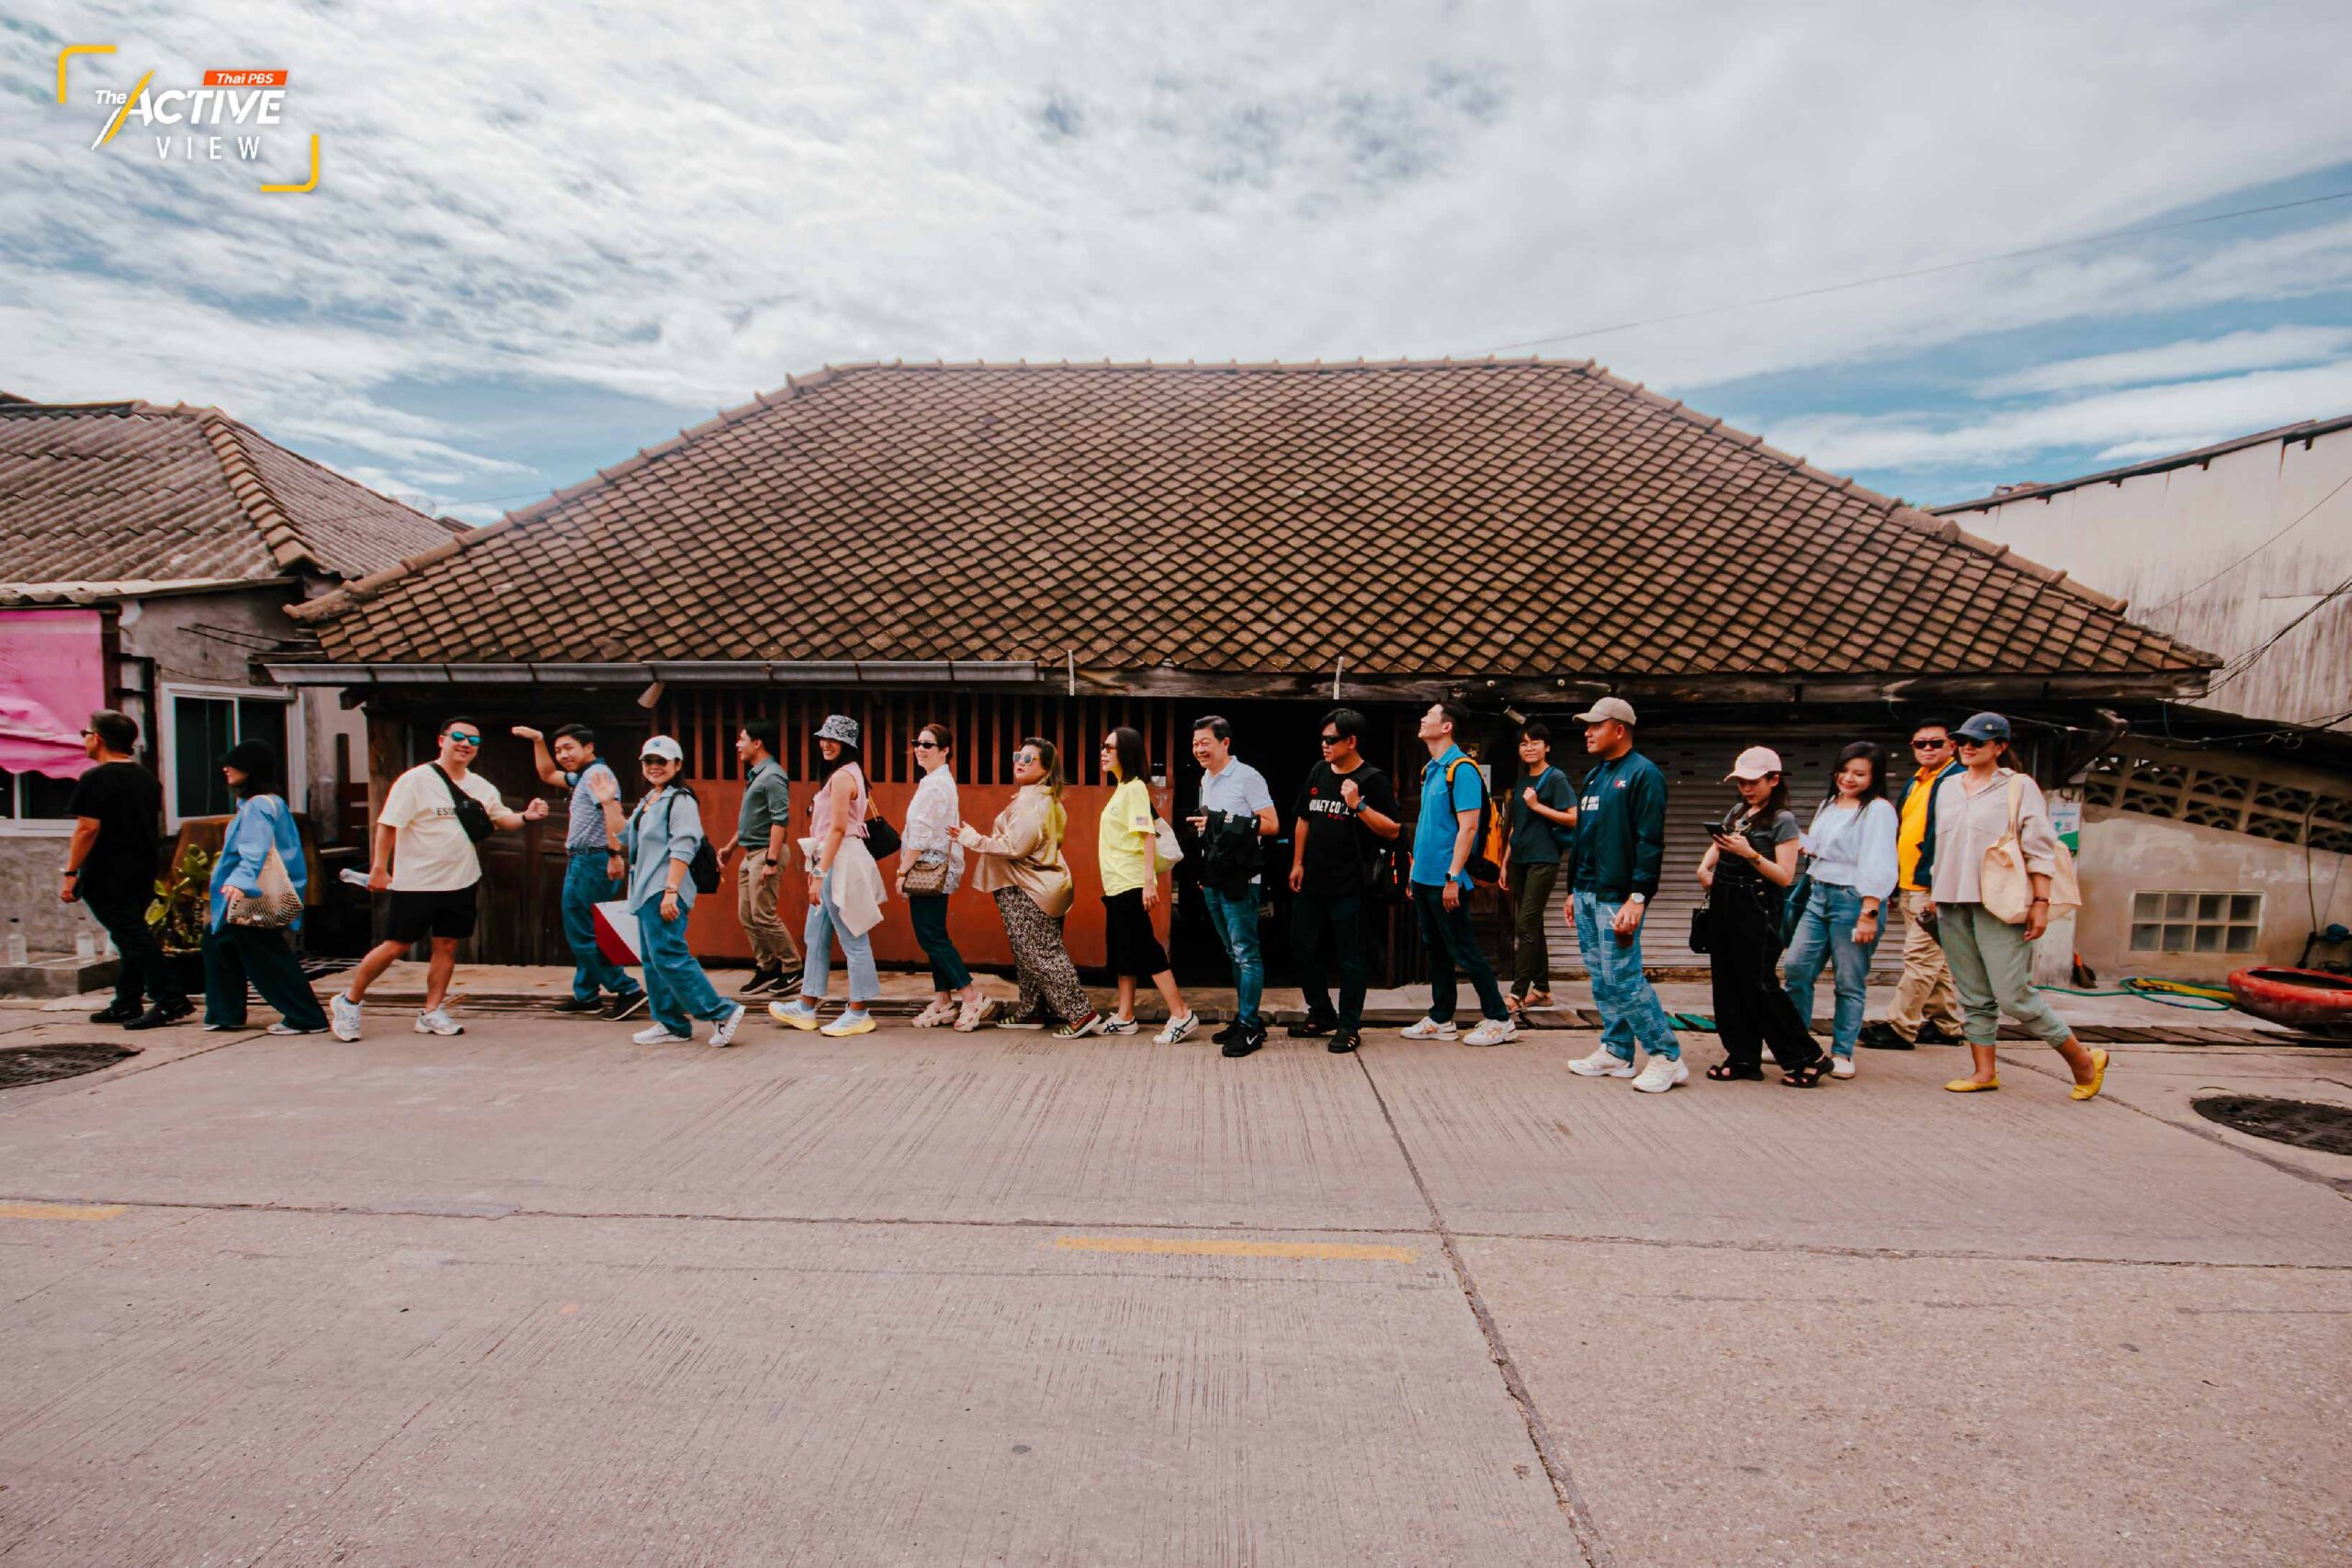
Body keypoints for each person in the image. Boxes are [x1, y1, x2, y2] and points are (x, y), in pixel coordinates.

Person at [330, 718, 548, 1042]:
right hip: (416, 881)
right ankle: (349, 1001)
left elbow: (502, 819)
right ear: (442, 740)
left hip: (460, 880)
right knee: (395, 946)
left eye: (473, 740)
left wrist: (528, 816)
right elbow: (388, 824)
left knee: (446, 947)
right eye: (458, 737)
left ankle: (431, 1011)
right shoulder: (415, 780)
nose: (466, 744)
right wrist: (379, 867)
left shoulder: (481, 786)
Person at [1927, 713, 2108, 1100]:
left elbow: (2039, 847)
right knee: (1973, 994)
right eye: (1962, 740)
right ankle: (1983, 1072)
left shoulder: (2018, 786)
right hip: (1951, 900)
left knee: (2013, 996)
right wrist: (1933, 889)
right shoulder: (1947, 786)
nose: (1968, 746)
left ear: (2001, 747)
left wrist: (2041, 902)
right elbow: (1942, 844)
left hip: (2000, 902)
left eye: (1978, 741)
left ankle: (2083, 1060)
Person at [1563, 697, 1686, 1092]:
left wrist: (1638, 897)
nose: (1587, 732)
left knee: (1623, 976)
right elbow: (1583, 837)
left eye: (1595, 725)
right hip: (1587, 893)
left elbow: (1650, 841)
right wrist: (1571, 890)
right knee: (1601, 977)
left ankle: (1667, 1056)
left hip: (1618, 896)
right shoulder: (1596, 776)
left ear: (1619, 729)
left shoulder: (1644, 774)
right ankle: (1617, 1050)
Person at [956, 737, 1104, 1038]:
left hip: (1027, 886)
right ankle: (1032, 1010)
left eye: (1029, 759)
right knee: (1028, 953)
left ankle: (1080, 1013)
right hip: (1037, 884)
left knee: (1041, 953)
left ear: (1046, 768)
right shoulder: (1044, 798)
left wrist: (971, 838)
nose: (1020, 763)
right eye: (1018, 757)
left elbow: (1016, 845)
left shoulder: (1030, 802)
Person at [1697, 748, 1826, 1087]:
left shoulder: (1782, 819)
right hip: (1726, 901)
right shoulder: (1740, 810)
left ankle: (1807, 1057)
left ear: (1774, 779)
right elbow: (1719, 841)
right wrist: (1704, 866)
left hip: (1758, 906)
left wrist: (1749, 853)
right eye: (1740, 781)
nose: (1746, 788)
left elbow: (1784, 876)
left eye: (1753, 781)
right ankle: (1742, 1056)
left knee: (1760, 985)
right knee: (1727, 985)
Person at [1399, 701, 1516, 1047]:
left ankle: (1499, 1018)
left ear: (1447, 727)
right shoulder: (1431, 770)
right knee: (1435, 949)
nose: (1422, 719)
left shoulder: (1462, 770)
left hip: (1448, 880)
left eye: (1430, 716)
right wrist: (1414, 873)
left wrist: (1452, 877)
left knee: (1464, 950)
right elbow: (1429, 827)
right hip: (1424, 877)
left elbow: (1468, 828)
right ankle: (1441, 1018)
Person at [1287, 707, 1402, 1055]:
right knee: (1301, 944)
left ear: (1351, 741)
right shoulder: (1319, 770)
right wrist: (1297, 863)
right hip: (1313, 878)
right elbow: (1304, 818)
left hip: (1351, 883)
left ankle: (1349, 1025)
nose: (1324, 745)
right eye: (1322, 739)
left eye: (1331, 739)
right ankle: (1321, 1012)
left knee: (1350, 956)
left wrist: (1358, 804)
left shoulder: (1372, 779)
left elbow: (1393, 829)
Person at [1781, 742, 1900, 1077]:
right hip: (1818, 893)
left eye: (1859, 773)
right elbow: (1825, 849)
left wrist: (1870, 910)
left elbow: (1880, 860)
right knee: (1796, 969)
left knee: (1849, 980)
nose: (1848, 779)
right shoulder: (1828, 804)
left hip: (1855, 899)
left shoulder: (1878, 810)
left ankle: (1843, 1052)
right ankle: (1797, 1044)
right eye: (1844, 771)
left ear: (1874, 777)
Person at [619, 736, 747, 1047]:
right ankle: (671, 1023)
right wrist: (608, 800)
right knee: (654, 958)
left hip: (663, 887)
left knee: (669, 954)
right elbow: (622, 836)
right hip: (645, 888)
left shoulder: (681, 800)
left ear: (677, 765)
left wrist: (671, 890)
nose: (654, 767)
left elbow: (684, 843)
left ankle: (721, 1011)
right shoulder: (650, 799)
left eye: (662, 761)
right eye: (649, 761)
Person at [60, 711, 183, 1030]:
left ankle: (169, 1000)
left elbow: (87, 828)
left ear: (97, 738)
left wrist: (70, 872)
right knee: (129, 933)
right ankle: (126, 1001)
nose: (84, 739)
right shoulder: (146, 779)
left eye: (85, 733)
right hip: (142, 869)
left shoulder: (95, 778)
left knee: (133, 935)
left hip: (107, 871)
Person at [514, 723, 646, 1021]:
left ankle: (627, 989)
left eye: (568, 748)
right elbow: (548, 774)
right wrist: (538, 739)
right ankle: (587, 995)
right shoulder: (584, 775)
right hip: (589, 860)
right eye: (558, 749)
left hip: (591, 860)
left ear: (588, 747)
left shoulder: (598, 775)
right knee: (589, 927)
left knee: (582, 931)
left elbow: (611, 815)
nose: (562, 755)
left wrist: (615, 855)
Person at [767, 715, 886, 1037]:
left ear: (848, 744)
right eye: (823, 737)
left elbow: (836, 829)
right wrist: (817, 868)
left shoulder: (844, 777)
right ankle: (807, 1005)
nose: (826, 743)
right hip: (830, 859)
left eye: (834, 739)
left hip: (840, 861)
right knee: (815, 935)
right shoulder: (842, 775)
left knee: (853, 937)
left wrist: (819, 873)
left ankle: (860, 1010)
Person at [199, 741, 328, 1035]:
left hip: (253, 894)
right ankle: (224, 1013)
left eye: (233, 764)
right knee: (217, 942)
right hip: (248, 893)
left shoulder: (258, 806)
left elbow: (254, 850)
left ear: (250, 770)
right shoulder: (265, 803)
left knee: (266, 956)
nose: (226, 768)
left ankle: (306, 1017)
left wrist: (240, 881)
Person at [1860, 720, 1968, 1051]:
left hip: (1934, 888)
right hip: (1910, 885)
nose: (1927, 749)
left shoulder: (1957, 782)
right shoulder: (1915, 783)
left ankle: (1900, 1026)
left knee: (1920, 958)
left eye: (1935, 743)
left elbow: (1954, 840)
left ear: (1952, 746)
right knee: (1936, 959)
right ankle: (1947, 1026)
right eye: (1920, 744)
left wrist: (1940, 889)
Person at [1097, 727, 1199, 1043]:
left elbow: (1147, 836)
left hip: (1130, 883)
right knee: (1123, 949)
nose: (1103, 752)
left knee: (1145, 948)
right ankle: (1125, 1015)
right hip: (1115, 885)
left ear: (1125, 752)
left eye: (1109, 748)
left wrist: (1148, 884)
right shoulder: (1121, 789)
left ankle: (1181, 1013)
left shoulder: (1136, 789)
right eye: (1103, 746)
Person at [1185, 716, 1278, 1058]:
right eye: (1195, 744)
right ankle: (1244, 1019)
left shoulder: (1247, 777)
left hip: (1241, 877)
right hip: (1214, 874)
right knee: (1231, 952)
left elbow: (1271, 824)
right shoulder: (1205, 778)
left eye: (1205, 743)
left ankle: (1251, 1026)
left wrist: (1221, 822)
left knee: (1246, 953)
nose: (1199, 749)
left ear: (1225, 743)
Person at [899, 721, 986, 1032]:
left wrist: (901, 871)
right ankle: (943, 999)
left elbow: (920, 835)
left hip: (928, 867)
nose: (920, 749)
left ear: (945, 750)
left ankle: (970, 995)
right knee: (931, 933)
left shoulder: (936, 785)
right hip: (930, 865)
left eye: (927, 745)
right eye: (917, 743)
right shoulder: (932, 781)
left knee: (931, 935)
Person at [718, 718, 802, 998]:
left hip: (765, 854)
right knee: (747, 915)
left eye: (742, 739)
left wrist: (771, 860)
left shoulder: (773, 776)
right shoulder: (757, 774)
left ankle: (792, 969)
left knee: (763, 915)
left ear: (757, 743)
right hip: (749, 852)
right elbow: (750, 822)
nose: (738, 744)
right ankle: (767, 968)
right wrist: (730, 847)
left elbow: (780, 820)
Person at [1499, 720, 1577, 1018]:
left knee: (1526, 924)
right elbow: (1517, 825)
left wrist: (1537, 806)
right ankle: (1542, 989)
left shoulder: (1555, 778)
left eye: (1534, 742)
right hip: (1519, 858)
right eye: (1523, 743)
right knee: (1533, 923)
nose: (1528, 748)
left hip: (1543, 859)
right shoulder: (1522, 780)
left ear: (1547, 747)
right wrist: (1505, 861)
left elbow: (1573, 818)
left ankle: (1518, 993)